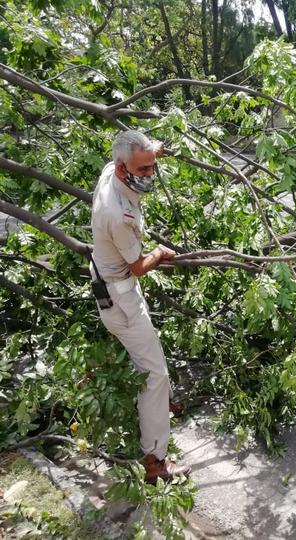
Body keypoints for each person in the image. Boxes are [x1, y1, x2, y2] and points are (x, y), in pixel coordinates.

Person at [90, 130, 190, 484]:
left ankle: (160, 409)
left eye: (151, 167)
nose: (149, 174)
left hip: (114, 288)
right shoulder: (117, 214)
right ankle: (155, 461)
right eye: (143, 169)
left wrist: (154, 151)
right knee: (155, 375)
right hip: (122, 298)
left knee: (151, 360)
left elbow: (140, 157)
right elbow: (138, 268)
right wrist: (160, 253)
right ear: (122, 168)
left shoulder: (111, 169)